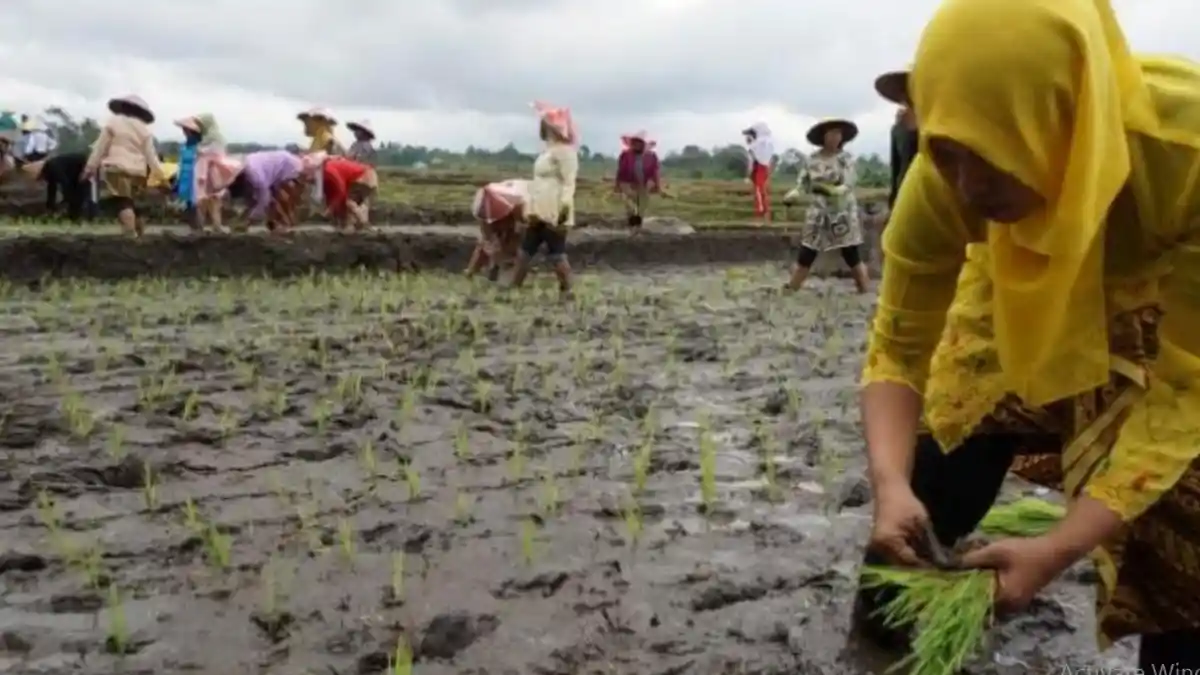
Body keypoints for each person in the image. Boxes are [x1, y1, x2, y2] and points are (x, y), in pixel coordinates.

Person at [854, 0, 1200, 669]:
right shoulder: (945, 177)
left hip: (1156, 296)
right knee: (948, 447)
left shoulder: (1184, 157)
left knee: (1184, 514)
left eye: (992, 152)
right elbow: (898, 345)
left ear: (1063, 119)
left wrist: (1059, 547)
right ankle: (879, 627)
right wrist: (890, 483)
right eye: (946, 152)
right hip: (1009, 277)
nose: (966, 186)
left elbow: (1189, 390)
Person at [785, 118, 870, 293]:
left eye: (838, 134)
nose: (835, 137)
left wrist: (833, 190)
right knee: (808, 249)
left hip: (842, 211)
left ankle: (864, 287)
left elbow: (848, 184)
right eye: (831, 133)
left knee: (850, 252)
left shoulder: (845, 159)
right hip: (818, 211)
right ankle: (793, 286)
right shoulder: (812, 160)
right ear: (823, 136)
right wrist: (795, 193)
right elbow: (803, 184)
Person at [511, 100, 579, 297]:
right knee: (526, 249)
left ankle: (568, 290)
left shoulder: (566, 152)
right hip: (538, 207)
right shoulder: (547, 152)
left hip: (553, 207)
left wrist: (564, 206)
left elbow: (569, 182)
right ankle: (514, 286)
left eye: (548, 124)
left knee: (556, 252)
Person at [82, 94, 166, 237]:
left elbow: (100, 148)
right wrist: (161, 176)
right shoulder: (144, 130)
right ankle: (138, 235)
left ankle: (130, 234)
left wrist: (89, 168)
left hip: (116, 168)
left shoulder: (113, 123)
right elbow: (151, 156)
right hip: (138, 171)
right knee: (133, 203)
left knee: (122, 202)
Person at [226, 150, 312, 234]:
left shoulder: (291, 161)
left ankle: (275, 223)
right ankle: (247, 223)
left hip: (252, 164)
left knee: (262, 200)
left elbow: (272, 193)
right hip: (260, 171)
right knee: (265, 200)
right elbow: (275, 193)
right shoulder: (296, 168)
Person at [467, 179, 529, 280]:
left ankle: (497, 268)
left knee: (507, 240)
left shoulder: (517, 200)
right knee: (488, 242)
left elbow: (522, 224)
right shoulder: (483, 205)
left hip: (510, 211)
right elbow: (488, 236)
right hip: (497, 211)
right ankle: (473, 272)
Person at [875, 70, 918, 214]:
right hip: (904, 197)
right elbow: (897, 168)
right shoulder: (898, 129)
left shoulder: (937, 125)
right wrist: (893, 203)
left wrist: (915, 132)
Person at [613, 130, 661, 229]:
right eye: (635, 142)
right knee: (629, 202)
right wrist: (617, 185)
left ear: (643, 144)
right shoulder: (625, 155)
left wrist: (657, 185)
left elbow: (655, 172)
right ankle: (631, 220)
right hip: (627, 182)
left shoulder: (651, 156)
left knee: (642, 204)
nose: (637, 145)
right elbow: (620, 170)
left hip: (645, 183)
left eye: (639, 143)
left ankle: (639, 221)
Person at [319, 155, 378, 232]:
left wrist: (330, 209)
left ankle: (364, 223)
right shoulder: (331, 166)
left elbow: (341, 191)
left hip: (364, 177)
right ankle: (355, 226)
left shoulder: (329, 170)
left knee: (349, 202)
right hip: (368, 175)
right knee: (356, 203)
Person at [742, 122, 774, 224]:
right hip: (765, 168)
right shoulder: (768, 143)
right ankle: (765, 214)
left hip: (759, 168)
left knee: (759, 190)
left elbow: (751, 162)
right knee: (761, 190)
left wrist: (748, 174)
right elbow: (769, 160)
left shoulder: (755, 146)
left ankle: (761, 214)